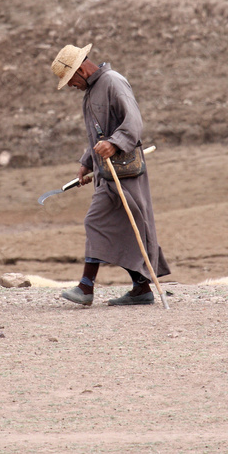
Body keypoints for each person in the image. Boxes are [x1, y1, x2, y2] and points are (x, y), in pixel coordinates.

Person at [50, 43, 170, 306]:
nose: (71, 86)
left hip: (126, 172)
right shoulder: (91, 93)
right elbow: (97, 135)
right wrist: (86, 163)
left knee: (97, 221)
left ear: (81, 70)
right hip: (107, 172)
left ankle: (86, 287)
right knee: (128, 226)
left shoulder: (114, 82)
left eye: (71, 80)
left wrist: (115, 143)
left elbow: (134, 123)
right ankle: (141, 288)